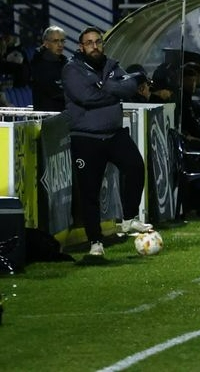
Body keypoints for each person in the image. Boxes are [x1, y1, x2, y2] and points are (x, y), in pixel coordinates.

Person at [62, 26, 152, 257]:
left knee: (135, 167)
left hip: (114, 134)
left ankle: (129, 219)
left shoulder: (112, 65)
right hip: (86, 137)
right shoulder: (72, 69)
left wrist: (107, 87)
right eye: (89, 43)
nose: (94, 46)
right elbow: (86, 98)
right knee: (89, 192)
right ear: (81, 47)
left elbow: (130, 87)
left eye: (98, 42)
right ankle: (95, 243)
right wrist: (115, 93)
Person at [30, 26, 67, 112]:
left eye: (62, 41)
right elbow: (54, 92)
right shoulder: (39, 65)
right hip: (47, 118)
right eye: (55, 41)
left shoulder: (65, 63)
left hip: (65, 116)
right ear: (46, 44)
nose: (60, 45)